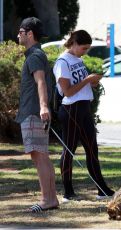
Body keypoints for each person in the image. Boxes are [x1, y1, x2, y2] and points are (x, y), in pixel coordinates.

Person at [53, 30, 114, 203]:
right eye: (84, 48)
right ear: (74, 43)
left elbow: (79, 85)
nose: (85, 52)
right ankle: (68, 192)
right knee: (69, 149)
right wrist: (87, 80)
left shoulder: (78, 59)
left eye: (88, 49)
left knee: (92, 148)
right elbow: (68, 92)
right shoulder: (62, 62)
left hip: (84, 108)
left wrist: (92, 83)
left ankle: (102, 189)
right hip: (71, 109)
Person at [16, 17, 59, 212]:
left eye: (21, 32)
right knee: (41, 156)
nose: (18, 35)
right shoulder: (37, 54)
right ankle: (51, 199)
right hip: (33, 111)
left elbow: (41, 82)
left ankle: (47, 200)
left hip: (34, 112)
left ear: (29, 34)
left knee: (39, 156)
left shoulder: (34, 56)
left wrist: (43, 107)